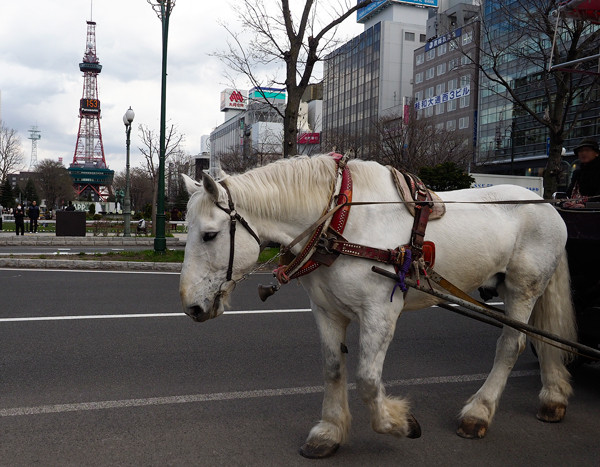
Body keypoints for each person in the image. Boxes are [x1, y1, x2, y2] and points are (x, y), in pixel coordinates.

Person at [564, 138, 600, 208]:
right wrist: (566, 202)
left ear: (597, 153)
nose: (583, 153)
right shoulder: (577, 173)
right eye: (580, 151)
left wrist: (586, 205)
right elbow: (569, 193)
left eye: (587, 150)